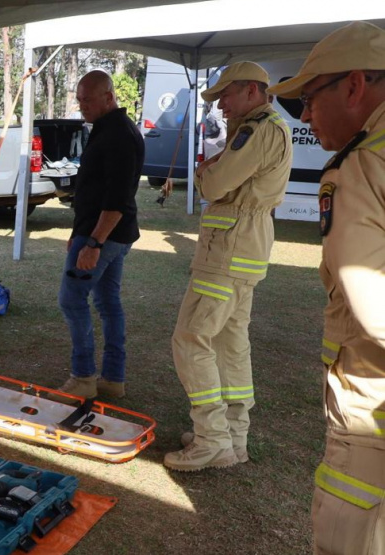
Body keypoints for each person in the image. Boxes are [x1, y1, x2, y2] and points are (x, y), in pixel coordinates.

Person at [267, 21, 385, 552]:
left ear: (355, 85)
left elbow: (375, 310)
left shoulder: (361, 166)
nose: (306, 116)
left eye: (310, 98)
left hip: (372, 411)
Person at [163, 61, 292, 472]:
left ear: (253, 91)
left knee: (191, 338)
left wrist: (205, 172)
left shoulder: (257, 131)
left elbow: (216, 184)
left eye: (226, 95)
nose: (221, 107)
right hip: (245, 249)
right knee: (230, 343)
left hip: (229, 251)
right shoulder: (267, 127)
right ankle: (234, 437)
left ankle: (212, 439)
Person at [57, 70, 144, 400]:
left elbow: (117, 198)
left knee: (71, 299)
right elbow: (95, 190)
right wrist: (78, 233)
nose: (82, 106)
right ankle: (112, 379)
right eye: (79, 99)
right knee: (108, 303)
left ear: (109, 97)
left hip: (105, 235)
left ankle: (83, 376)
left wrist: (93, 242)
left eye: (88, 99)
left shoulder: (119, 134)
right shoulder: (108, 129)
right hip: (104, 233)